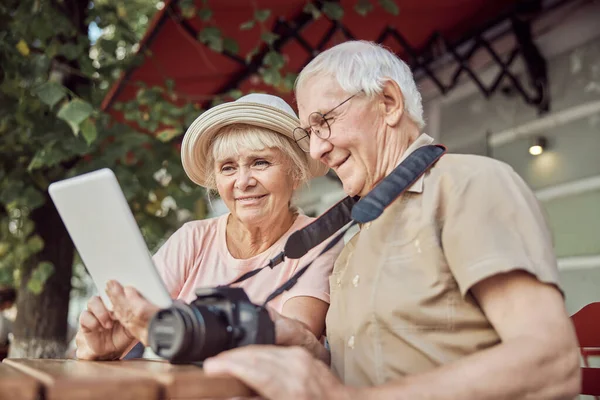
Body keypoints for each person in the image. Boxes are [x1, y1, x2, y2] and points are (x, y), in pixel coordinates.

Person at [201, 41, 581, 399]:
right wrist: (302, 344)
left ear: (388, 102)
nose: (317, 148)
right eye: (310, 132)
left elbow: (551, 362)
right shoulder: (356, 238)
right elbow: (361, 374)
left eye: (324, 121)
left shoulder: (467, 184)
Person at [75, 94, 342, 360]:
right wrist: (106, 346)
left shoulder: (318, 240)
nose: (242, 181)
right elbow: (135, 318)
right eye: (228, 167)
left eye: (260, 162)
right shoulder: (193, 238)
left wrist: (175, 330)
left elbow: (296, 340)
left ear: (295, 173)